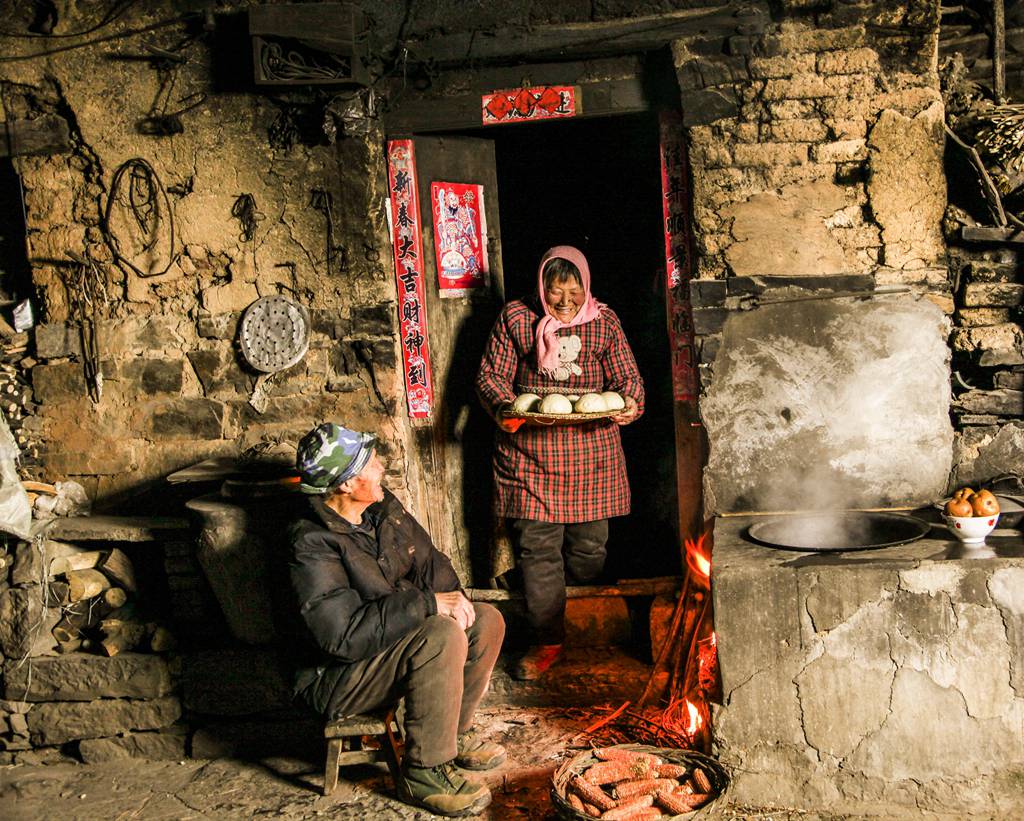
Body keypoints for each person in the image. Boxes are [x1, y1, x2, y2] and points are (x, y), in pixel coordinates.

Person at [288, 422, 507, 817]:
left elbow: (429, 564)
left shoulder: (381, 509)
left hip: (386, 643)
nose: (381, 467)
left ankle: (453, 732)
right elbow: (342, 636)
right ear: (346, 484)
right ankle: (423, 773)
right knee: (439, 635)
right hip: (338, 676)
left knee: (486, 620)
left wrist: (455, 601)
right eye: (371, 463)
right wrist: (428, 605)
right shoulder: (311, 544)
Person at [475, 245, 644, 680]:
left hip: (592, 455)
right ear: (541, 288)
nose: (565, 301)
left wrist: (630, 402)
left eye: (574, 291)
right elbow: (491, 376)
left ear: (586, 288)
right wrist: (505, 407)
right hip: (529, 456)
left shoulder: (603, 322)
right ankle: (547, 640)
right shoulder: (516, 319)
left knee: (589, 550)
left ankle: (582, 623)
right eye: (555, 292)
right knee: (538, 549)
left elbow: (628, 378)